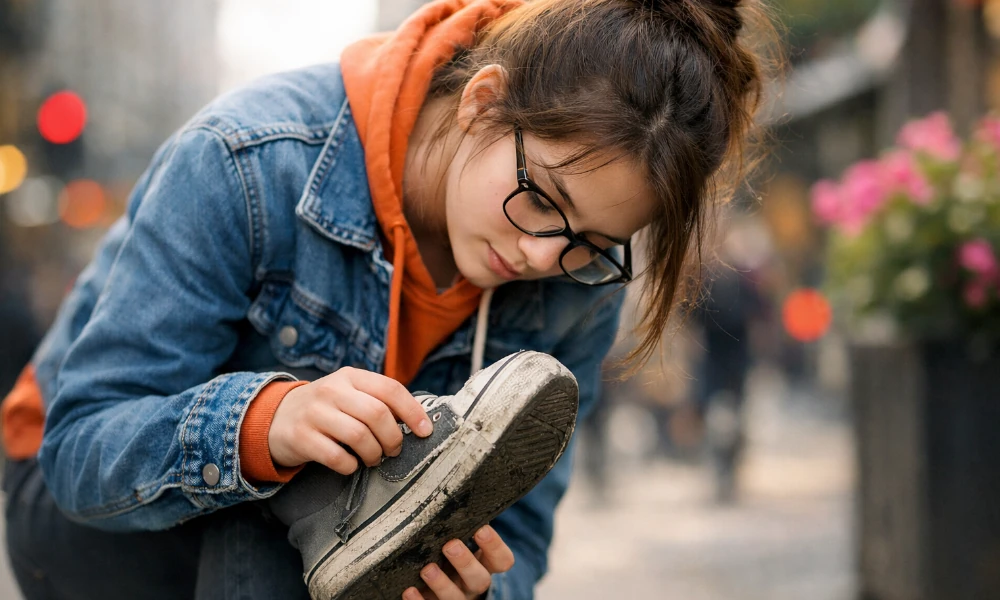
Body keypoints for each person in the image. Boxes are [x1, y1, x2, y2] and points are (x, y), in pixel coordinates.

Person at [1, 0, 774, 598]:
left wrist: (476, 587)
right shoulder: (245, 159)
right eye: (542, 198)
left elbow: (524, 537)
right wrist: (270, 425)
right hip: (78, 504)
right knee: (298, 502)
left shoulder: (579, 276)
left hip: (311, 552)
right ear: (482, 101)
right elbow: (81, 449)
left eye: (592, 242)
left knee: (353, 540)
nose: (543, 255)